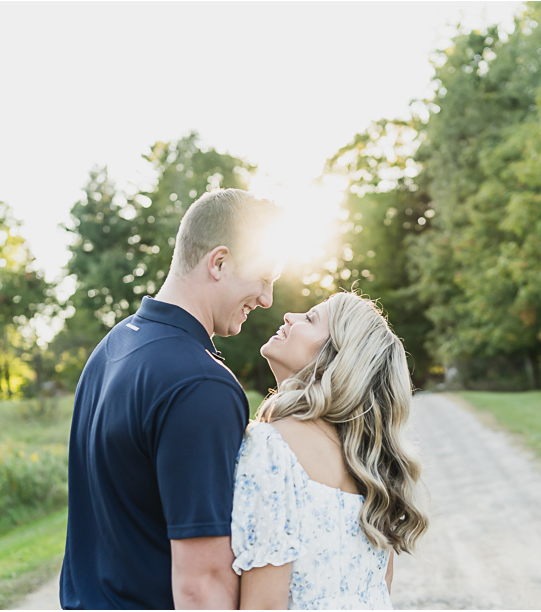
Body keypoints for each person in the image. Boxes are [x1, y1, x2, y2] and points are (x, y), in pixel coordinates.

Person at [60, 188, 282, 609]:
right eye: (264, 279)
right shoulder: (201, 385)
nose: (267, 299)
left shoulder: (114, 346)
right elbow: (203, 586)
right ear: (219, 263)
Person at [231, 292, 429, 609]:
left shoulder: (270, 448)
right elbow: (381, 591)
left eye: (310, 319)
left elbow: (262, 605)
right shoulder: (373, 464)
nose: (289, 316)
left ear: (334, 359)